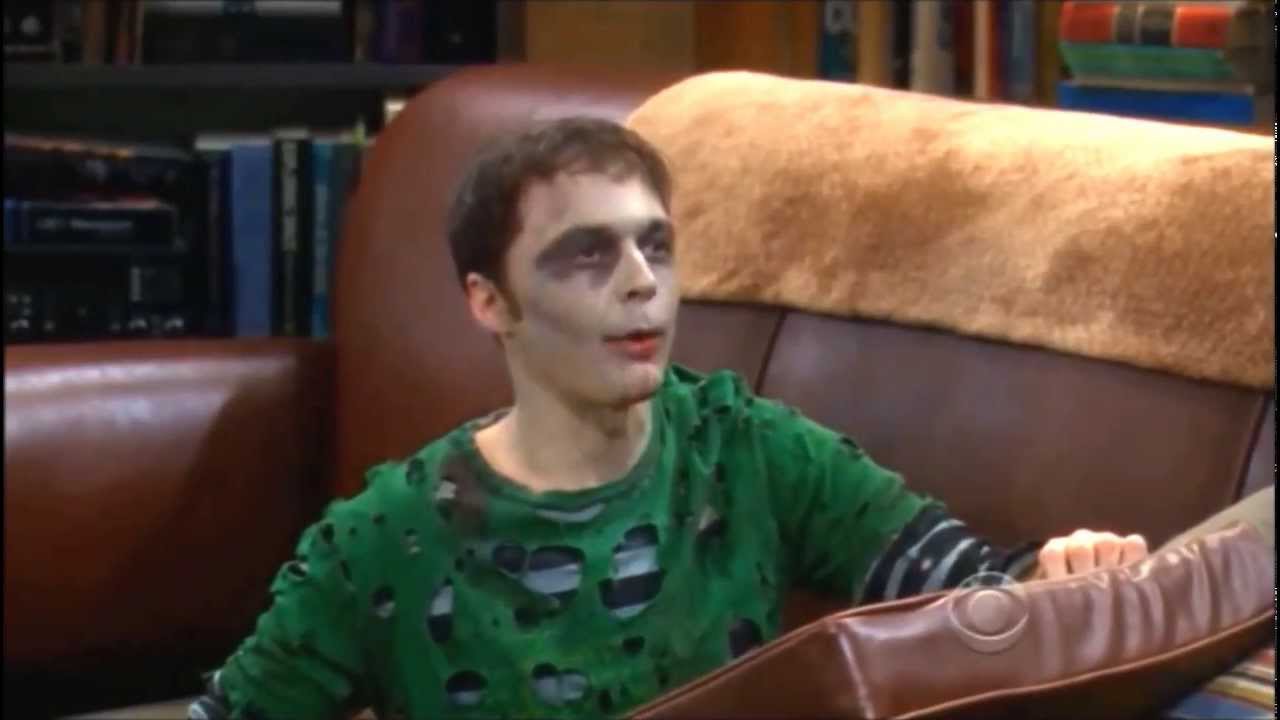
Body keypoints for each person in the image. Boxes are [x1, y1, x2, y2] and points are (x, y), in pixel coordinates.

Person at [188, 118, 1151, 720]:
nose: (641, 283)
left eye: (656, 246)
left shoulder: (746, 448)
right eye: (587, 255)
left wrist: (1064, 573)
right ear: (489, 301)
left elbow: (973, 593)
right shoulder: (382, 542)